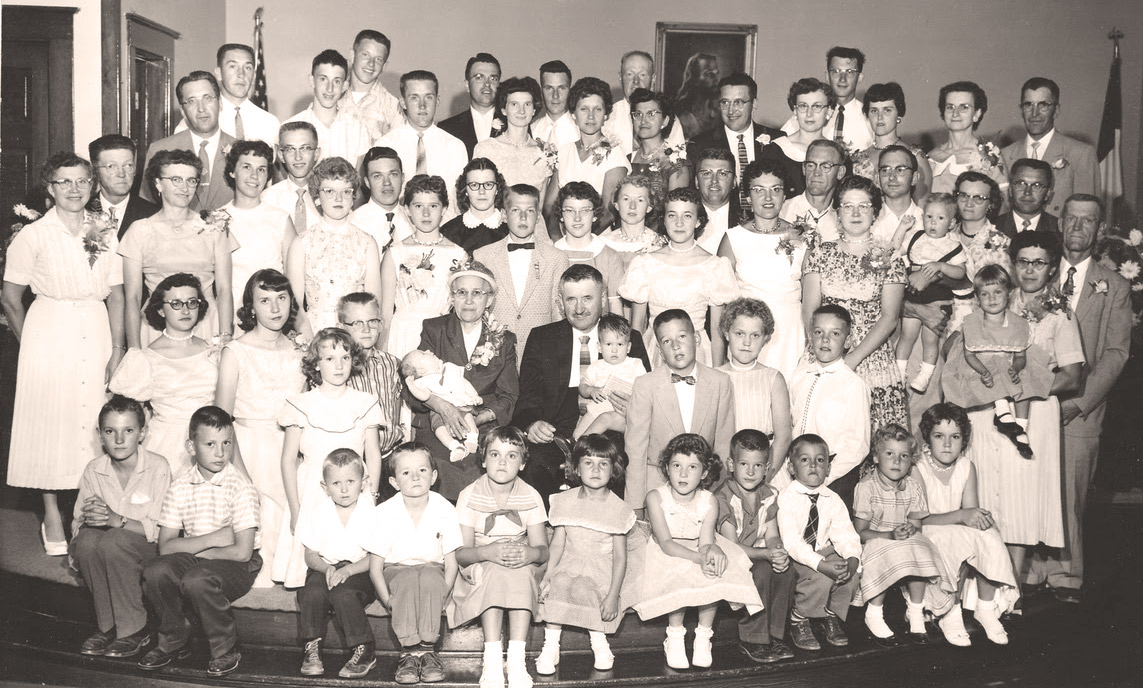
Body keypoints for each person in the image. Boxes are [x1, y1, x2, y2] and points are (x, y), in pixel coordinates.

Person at [946, 231, 1082, 600]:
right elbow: (956, 353)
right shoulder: (990, 300)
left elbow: (1072, 377)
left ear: (1052, 268)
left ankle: (1011, 596)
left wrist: (1022, 387)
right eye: (1023, 261)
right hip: (984, 411)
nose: (1030, 270)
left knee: (1020, 504)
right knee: (984, 498)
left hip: (1031, 415)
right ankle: (975, 596)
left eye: (1039, 263)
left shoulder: (1059, 314)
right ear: (1013, 264)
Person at [2, 152, 125, 554]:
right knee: (51, 421)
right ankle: (52, 513)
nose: (74, 189)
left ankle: (92, 507)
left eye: (82, 181)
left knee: (93, 416)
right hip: (49, 328)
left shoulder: (104, 230)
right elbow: (10, 298)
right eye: (64, 182)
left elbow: (117, 294)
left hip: (95, 326)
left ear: (92, 185)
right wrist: (33, 345)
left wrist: (118, 348)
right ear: (50, 188)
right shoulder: (33, 235)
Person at [1047, 197, 1131, 601]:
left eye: (1088, 221)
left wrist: (1080, 403)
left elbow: (1117, 353)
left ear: (1099, 230)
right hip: (1033, 403)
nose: (1078, 227)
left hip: (1080, 411)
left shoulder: (1114, 285)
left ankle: (1066, 575)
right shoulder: (1039, 271)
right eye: (1072, 219)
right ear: (1060, 223)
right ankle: (1028, 572)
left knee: (1070, 494)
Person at [511, 265, 651, 502]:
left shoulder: (627, 337)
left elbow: (648, 393)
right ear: (560, 302)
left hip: (609, 425)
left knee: (616, 461)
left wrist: (633, 408)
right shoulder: (542, 337)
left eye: (587, 298)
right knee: (534, 462)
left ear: (603, 299)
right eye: (571, 299)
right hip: (555, 427)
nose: (578, 308)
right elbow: (528, 395)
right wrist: (532, 423)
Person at [138, 406, 260, 677]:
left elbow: (241, 552)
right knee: (156, 570)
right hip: (204, 556)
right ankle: (173, 637)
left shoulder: (241, 487)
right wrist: (214, 539)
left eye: (226, 443)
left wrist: (195, 551)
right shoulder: (180, 486)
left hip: (237, 565)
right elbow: (165, 547)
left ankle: (226, 648)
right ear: (191, 447)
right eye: (210, 444)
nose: (220, 452)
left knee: (196, 578)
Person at [634, 433, 763, 670]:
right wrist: (698, 558)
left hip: (697, 546)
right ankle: (674, 635)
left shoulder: (709, 500)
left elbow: (705, 541)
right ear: (666, 468)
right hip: (666, 551)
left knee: (713, 570)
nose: (683, 474)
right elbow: (665, 543)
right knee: (678, 572)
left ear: (704, 473)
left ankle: (704, 635)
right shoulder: (656, 497)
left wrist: (711, 551)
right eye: (677, 466)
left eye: (692, 467)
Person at [214, 269, 307, 587]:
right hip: (249, 447)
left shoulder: (299, 352)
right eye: (264, 300)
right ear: (251, 307)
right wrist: (241, 475)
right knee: (261, 516)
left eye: (282, 298)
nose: (275, 308)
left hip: (290, 447)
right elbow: (222, 422)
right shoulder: (235, 352)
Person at [276, 328, 383, 588]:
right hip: (312, 489)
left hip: (353, 487)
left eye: (345, 358)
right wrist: (295, 509)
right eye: (329, 359)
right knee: (310, 566)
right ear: (316, 363)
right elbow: (288, 460)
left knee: (354, 560)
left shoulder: (365, 402)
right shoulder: (300, 404)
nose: (339, 365)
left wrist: (371, 496)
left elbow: (373, 454)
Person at [447, 426, 549, 688]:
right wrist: (487, 553)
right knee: (493, 572)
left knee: (520, 572)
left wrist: (530, 553)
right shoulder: (469, 495)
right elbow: (462, 554)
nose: (502, 462)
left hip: (519, 560)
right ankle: (492, 659)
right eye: (494, 454)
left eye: (511, 456)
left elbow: (542, 550)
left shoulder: (531, 496)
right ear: (483, 460)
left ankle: (516, 660)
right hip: (479, 560)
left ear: (522, 464)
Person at [803, 176, 908, 431]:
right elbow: (809, 311)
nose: (856, 213)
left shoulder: (889, 257)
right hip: (825, 351)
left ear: (875, 212)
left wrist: (852, 359)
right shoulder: (820, 253)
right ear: (838, 213)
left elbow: (890, 318)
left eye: (864, 206)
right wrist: (827, 353)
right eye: (848, 206)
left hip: (871, 356)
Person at [71, 396, 170, 658]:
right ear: (100, 436)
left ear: (142, 433)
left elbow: (163, 531)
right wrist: (88, 520)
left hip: (148, 549)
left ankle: (135, 628)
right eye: (110, 431)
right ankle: (108, 626)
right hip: (108, 549)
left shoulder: (157, 467)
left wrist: (118, 520)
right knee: (86, 541)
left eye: (128, 431)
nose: (119, 439)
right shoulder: (94, 469)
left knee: (114, 538)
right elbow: (77, 523)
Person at [411, 260, 519, 499]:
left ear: (489, 299)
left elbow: (509, 396)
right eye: (461, 293)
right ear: (452, 297)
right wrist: (443, 407)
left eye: (477, 293)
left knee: (481, 466)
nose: (469, 300)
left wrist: (476, 418)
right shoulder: (434, 329)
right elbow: (413, 383)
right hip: (437, 422)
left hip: (482, 425)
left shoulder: (504, 339)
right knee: (437, 463)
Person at [914, 403, 1019, 647]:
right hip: (926, 530)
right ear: (927, 438)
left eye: (955, 437)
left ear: (964, 440)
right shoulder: (918, 468)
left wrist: (979, 518)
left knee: (988, 534)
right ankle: (949, 611)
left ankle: (985, 608)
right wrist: (962, 515)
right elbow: (920, 520)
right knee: (948, 540)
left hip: (955, 527)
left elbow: (970, 512)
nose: (947, 444)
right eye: (939, 436)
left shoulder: (966, 466)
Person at [536, 434, 639, 674]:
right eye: (588, 462)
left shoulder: (618, 509)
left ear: (613, 469)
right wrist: (547, 575)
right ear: (576, 468)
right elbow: (558, 544)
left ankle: (599, 643)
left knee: (584, 586)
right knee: (560, 581)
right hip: (569, 560)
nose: (595, 469)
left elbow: (620, 557)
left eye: (603, 464)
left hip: (601, 568)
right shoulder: (564, 501)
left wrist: (613, 595)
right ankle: (551, 645)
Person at [365, 443, 461, 685]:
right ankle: (408, 652)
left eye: (422, 470)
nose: (415, 477)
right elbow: (375, 567)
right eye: (406, 472)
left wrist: (443, 593)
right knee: (407, 577)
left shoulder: (445, 508)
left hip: (433, 570)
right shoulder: (384, 512)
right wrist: (387, 600)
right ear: (394, 482)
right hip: (396, 571)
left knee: (429, 576)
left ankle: (427, 650)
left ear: (434, 476)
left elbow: (451, 563)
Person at [852, 424, 956, 646]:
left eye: (904, 456)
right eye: (889, 454)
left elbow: (916, 526)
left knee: (919, 545)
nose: (897, 461)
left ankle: (916, 611)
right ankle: (874, 613)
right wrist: (890, 535)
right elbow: (860, 533)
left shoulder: (913, 487)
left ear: (911, 461)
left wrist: (909, 529)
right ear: (876, 457)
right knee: (884, 549)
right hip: (874, 542)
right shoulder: (866, 487)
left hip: (901, 542)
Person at [121, 149, 237, 345]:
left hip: (206, 324)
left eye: (191, 180)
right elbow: (132, 297)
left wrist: (225, 337)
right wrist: (134, 348)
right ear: (158, 183)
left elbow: (224, 289)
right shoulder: (139, 231)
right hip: (157, 324)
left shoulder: (213, 227)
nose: (185, 188)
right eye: (176, 180)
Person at [624, 309, 736, 512]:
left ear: (697, 338)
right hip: (655, 491)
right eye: (667, 341)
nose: (675, 346)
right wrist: (636, 505)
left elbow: (723, 446)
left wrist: (719, 499)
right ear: (660, 350)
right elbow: (635, 450)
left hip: (704, 491)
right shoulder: (645, 385)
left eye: (682, 337)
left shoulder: (721, 382)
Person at [110, 273, 220, 473]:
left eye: (192, 302)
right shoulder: (145, 358)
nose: (185, 310)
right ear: (161, 310)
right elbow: (129, 418)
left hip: (211, 442)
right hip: (166, 448)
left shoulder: (214, 351)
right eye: (176, 304)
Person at [620, 187, 740, 368]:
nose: (679, 223)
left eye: (687, 216)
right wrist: (634, 369)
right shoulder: (645, 263)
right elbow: (637, 328)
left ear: (698, 221)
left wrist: (717, 372)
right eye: (672, 215)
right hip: (655, 350)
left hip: (698, 350)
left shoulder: (715, 266)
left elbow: (717, 332)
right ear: (664, 220)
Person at [943, 264, 1054, 458]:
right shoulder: (972, 322)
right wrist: (984, 371)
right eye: (984, 294)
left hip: (1007, 365)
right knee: (997, 367)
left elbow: (1020, 356)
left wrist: (1016, 368)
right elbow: (969, 355)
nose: (992, 298)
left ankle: (1020, 429)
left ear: (1008, 294)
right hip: (977, 367)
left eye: (997, 292)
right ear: (977, 298)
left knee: (1025, 377)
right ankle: (1003, 413)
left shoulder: (1017, 323)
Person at [718, 158, 810, 380]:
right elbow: (720, 302)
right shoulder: (733, 238)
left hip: (791, 333)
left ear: (784, 195)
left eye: (775, 189)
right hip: (747, 335)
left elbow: (811, 299)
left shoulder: (803, 237)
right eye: (759, 190)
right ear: (747, 196)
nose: (768, 198)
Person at [295, 449, 378, 679]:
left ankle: (364, 649)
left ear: (363, 482)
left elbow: (375, 557)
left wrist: (348, 570)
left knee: (343, 594)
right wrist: (326, 568)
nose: (343, 489)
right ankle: (312, 647)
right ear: (325, 487)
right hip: (326, 567)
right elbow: (310, 555)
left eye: (350, 481)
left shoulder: (371, 513)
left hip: (359, 570)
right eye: (336, 483)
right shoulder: (318, 513)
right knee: (311, 592)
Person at [775, 305, 870, 504]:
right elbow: (790, 423)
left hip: (834, 474)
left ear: (848, 341)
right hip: (799, 468)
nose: (825, 339)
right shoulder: (799, 375)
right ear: (810, 338)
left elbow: (857, 445)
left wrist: (826, 476)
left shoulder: (853, 384)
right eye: (819, 332)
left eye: (835, 333)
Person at [715, 430, 795, 664]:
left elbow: (772, 534)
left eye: (758, 465)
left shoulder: (769, 494)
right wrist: (767, 554)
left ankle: (775, 634)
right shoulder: (723, 497)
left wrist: (777, 550)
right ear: (731, 464)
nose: (750, 472)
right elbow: (732, 547)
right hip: (730, 560)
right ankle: (753, 638)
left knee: (787, 570)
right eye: (744, 464)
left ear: (767, 468)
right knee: (761, 571)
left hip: (759, 555)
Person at [776, 434, 862, 652]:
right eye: (805, 460)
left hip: (822, 552)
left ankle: (830, 614)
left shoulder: (833, 499)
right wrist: (822, 565)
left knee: (852, 574)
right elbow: (792, 543)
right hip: (796, 557)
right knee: (822, 577)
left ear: (828, 468)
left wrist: (852, 559)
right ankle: (799, 617)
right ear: (791, 467)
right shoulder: (786, 497)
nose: (813, 465)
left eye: (820, 460)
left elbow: (845, 533)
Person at [285, 156, 384, 336]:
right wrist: (311, 342)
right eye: (329, 191)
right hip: (315, 333)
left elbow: (373, 304)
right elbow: (295, 305)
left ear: (353, 197)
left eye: (346, 191)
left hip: (357, 334)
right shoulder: (301, 243)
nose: (338, 198)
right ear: (317, 197)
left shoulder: (367, 243)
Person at [475, 184, 570, 362]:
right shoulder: (483, 256)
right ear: (504, 215)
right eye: (516, 210)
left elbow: (559, 314)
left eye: (530, 211)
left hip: (542, 355)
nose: (523, 217)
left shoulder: (557, 258)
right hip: (496, 355)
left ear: (538, 216)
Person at [388, 174, 469, 358]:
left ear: (444, 209)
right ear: (407, 210)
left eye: (433, 206)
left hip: (440, 336)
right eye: (418, 206)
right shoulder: (395, 253)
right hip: (402, 335)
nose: (426, 213)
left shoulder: (458, 255)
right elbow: (385, 313)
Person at [893, 192, 967, 393]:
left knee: (930, 339)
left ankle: (925, 375)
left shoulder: (953, 246)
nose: (933, 222)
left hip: (937, 296)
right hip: (913, 292)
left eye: (940, 218)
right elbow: (894, 249)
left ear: (951, 223)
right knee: (907, 335)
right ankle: (899, 372)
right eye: (929, 217)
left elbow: (960, 272)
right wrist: (902, 228)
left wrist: (941, 266)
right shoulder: (916, 237)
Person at [1000, 77, 1099, 218]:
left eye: (1043, 105)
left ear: (1056, 110)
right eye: (1028, 105)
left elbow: (1088, 214)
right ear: (1021, 110)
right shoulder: (1005, 155)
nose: (1034, 113)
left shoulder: (1081, 153)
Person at [687, 73, 787, 209]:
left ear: (754, 104)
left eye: (738, 102)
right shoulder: (700, 145)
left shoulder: (777, 139)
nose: (731, 110)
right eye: (725, 102)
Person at [544, 77, 630, 234]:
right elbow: (549, 206)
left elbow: (609, 211)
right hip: (562, 239)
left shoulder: (615, 154)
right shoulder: (565, 151)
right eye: (584, 109)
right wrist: (557, 238)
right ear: (573, 114)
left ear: (606, 115)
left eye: (598, 109)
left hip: (598, 238)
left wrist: (581, 241)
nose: (591, 116)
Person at [220, 140, 296, 315]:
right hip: (229, 312)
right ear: (232, 172)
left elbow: (293, 280)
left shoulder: (281, 219)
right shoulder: (217, 219)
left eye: (261, 169)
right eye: (246, 167)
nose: (254, 176)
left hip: (272, 312)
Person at [141, 71, 235, 211]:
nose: (201, 108)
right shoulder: (159, 149)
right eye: (191, 101)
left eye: (207, 98)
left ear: (220, 103)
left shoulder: (241, 150)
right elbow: (145, 206)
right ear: (183, 111)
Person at [377, 70, 468, 214]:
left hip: (445, 223)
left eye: (429, 97)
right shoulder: (386, 145)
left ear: (437, 101)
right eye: (414, 98)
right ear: (403, 102)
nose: (422, 105)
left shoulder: (455, 146)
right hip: (399, 224)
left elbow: (459, 203)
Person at [716, 299, 793, 467]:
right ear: (726, 333)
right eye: (739, 333)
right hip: (726, 466)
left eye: (755, 335)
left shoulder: (773, 378)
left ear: (765, 338)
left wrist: (766, 475)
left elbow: (784, 437)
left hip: (765, 465)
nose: (747, 342)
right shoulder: (714, 377)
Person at [339, 292, 405, 462]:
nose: (366, 329)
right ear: (342, 327)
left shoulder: (392, 363)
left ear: (381, 324)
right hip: (353, 458)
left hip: (390, 454)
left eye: (372, 322)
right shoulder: (338, 368)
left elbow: (399, 408)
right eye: (357, 323)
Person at [175, 44, 280, 146]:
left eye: (248, 68)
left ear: (253, 76)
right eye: (232, 66)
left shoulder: (270, 123)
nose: (241, 74)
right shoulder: (194, 122)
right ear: (219, 73)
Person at [284, 49, 372, 166]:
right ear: (312, 81)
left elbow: (360, 175)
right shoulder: (289, 128)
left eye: (336, 81)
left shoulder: (359, 130)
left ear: (345, 86)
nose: (329, 88)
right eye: (323, 79)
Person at [474, 76, 555, 199]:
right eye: (514, 104)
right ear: (504, 110)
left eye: (527, 104)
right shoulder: (486, 149)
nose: (521, 111)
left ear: (534, 110)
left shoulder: (543, 152)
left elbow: (541, 203)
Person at [781, 47, 875, 151]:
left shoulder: (871, 119)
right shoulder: (805, 117)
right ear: (827, 76)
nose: (842, 79)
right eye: (836, 71)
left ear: (860, 77)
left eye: (849, 72)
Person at [552, 182, 626, 314]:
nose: (577, 218)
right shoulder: (550, 255)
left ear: (595, 215)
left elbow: (615, 308)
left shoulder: (610, 257)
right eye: (569, 211)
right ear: (561, 215)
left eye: (585, 210)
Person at [852, 82, 933, 203]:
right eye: (874, 111)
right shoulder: (856, 160)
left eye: (887, 110)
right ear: (867, 115)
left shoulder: (915, 157)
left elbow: (922, 207)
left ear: (898, 115)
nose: (879, 117)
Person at [927, 81, 1008, 200]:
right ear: (943, 113)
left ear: (977, 114)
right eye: (950, 107)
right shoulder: (930, 157)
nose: (955, 113)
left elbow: (1004, 204)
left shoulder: (991, 157)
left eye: (964, 107)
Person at [573, 313, 646, 438]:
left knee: (602, 421)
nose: (614, 350)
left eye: (620, 344)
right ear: (599, 347)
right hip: (596, 411)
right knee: (578, 433)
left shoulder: (636, 364)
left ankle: (580, 444)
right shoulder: (596, 366)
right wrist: (591, 390)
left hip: (622, 413)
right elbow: (582, 386)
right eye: (608, 344)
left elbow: (646, 390)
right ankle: (574, 443)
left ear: (628, 347)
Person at [403, 349, 483, 462]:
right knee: (439, 430)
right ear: (421, 370)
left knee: (468, 417)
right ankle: (454, 447)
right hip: (438, 413)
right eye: (424, 354)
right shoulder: (424, 381)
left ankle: (472, 439)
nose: (429, 351)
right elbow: (424, 396)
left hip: (461, 403)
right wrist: (411, 385)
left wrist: (474, 395)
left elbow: (464, 383)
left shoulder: (450, 367)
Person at [602, 50, 687, 155]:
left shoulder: (666, 118)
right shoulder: (607, 118)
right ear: (620, 78)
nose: (636, 81)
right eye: (629, 74)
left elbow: (677, 159)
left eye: (642, 75)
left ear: (653, 79)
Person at [770, 78, 836, 199]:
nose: (809, 114)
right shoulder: (775, 151)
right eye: (803, 106)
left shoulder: (836, 153)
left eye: (817, 106)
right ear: (795, 111)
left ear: (829, 112)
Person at [86, 134, 158, 240]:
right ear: (95, 171)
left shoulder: (153, 215)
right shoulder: (83, 212)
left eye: (128, 165)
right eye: (111, 166)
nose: (121, 174)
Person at [339, 30, 404, 143]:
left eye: (378, 59)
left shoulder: (393, 108)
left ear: (384, 66)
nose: (371, 64)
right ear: (352, 56)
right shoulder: (332, 96)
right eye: (365, 55)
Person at [626, 88, 691, 197]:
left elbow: (676, 204)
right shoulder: (627, 159)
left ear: (665, 121)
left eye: (651, 114)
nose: (643, 121)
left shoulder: (676, 162)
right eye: (638, 114)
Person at [779, 138, 845, 242]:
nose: (816, 173)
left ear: (840, 172)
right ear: (804, 169)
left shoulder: (844, 218)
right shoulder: (782, 211)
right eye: (811, 165)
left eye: (825, 166)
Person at [441, 157, 511, 254]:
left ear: (497, 189)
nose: (482, 191)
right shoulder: (448, 231)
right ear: (465, 190)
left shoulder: (512, 229)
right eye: (474, 185)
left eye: (488, 184)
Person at [439, 52, 501, 158]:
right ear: (467, 85)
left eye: (493, 79)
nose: (487, 84)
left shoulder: (513, 125)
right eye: (479, 77)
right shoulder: (446, 129)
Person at [263, 122, 321, 234]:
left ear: (316, 153)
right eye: (290, 149)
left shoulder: (332, 196)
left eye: (305, 148)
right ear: (281, 155)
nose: (298, 157)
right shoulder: (267, 199)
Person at [351, 146, 414, 249]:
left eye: (393, 174)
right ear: (367, 182)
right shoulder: (353, 224)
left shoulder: (415, 221)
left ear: (402, 178)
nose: (387, 183)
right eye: (377, 176)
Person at [869, 144, 925, 247]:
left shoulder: (925, 221)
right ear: (877, 178)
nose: (892, 177)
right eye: (885, 170)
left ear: (914, 178)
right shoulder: (868, 221)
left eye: (900, 170)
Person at [599, 174, 664, 260]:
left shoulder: (658, 244)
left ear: (649, 207)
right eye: (626, 199)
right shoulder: (603, 243)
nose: (632, 206)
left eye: (640, 200)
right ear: (617, 205)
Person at [693, 148, 742, 252]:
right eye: (707, 173)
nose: (714, 181)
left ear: (734, 182)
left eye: (722, 174)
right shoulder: (681, 218)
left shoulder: (747, 221)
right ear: (696, 181)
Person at [997, 158, 1060, 237]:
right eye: (1021, 184)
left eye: (1037, 186)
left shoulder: (1060, 230)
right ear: (1010, 189)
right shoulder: (993, 226)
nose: (1027, 192)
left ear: (1048, 194)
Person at [672, 52, 722, 140]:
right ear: (694, 79)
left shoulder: (719, 111)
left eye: (716, 74)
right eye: (709, 74)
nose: (716, 80)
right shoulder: (681, 115)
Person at [531, 60, 579, 149]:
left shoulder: (581, 130)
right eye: (549, 88)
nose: (555, 96)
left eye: (561, 88)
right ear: (541, 91)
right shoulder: (531, 131)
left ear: (570, 91)